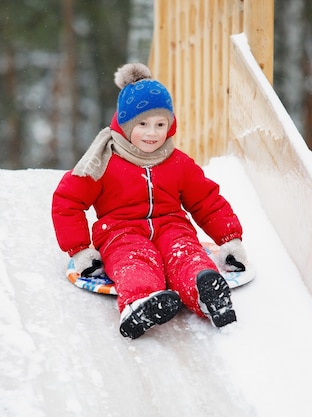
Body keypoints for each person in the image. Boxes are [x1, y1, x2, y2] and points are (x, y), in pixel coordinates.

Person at [51, 63, 248, 340]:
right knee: (135, 262)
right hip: (120, 232)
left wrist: (230, 238)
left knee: (187, 255)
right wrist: (80, 250)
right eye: (142, 124)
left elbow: (206, 199)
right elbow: (68, 201)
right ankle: (140, 303)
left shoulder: (177, 162)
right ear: (125, 124)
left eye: (160, 124)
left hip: (172, 226)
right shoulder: (103, 161)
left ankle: (207, 294)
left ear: (170, 125)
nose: (152, 133)